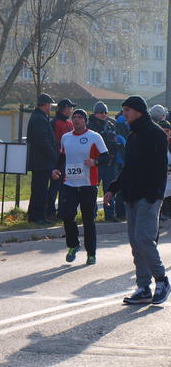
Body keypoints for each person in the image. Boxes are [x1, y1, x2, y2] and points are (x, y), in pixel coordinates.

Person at [105, 96, 170, 305]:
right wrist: (113, 188)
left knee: (144, 239)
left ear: (139, 111)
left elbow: (160, 168)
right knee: (136, 243)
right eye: (124, 110)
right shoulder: (133, 135)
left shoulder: (156, 134)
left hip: (148, 197)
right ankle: (143, 288)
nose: (124, 114)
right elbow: (128, 168)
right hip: (131, 195)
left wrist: (154, 195)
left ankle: (162, 280)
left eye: (127, 110)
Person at [52, 109, 108, 265]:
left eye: (80, 117)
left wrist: (95, 162)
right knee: (67, 215)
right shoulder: (66, 137)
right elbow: (62, 157)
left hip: (88, 184)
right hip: (69, 183)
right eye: (74, 117)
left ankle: (91, 253)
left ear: (85, 121)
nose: (76, 120)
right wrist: (56, 169)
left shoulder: (94, 137)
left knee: (88, 219)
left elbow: (106, 157)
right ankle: (73, 245)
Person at [26, 93, 57, 224]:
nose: (51, 108)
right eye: (50, 105)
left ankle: (34, 215)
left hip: (39, 161)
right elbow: (43, 141)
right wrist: (53, 155)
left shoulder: (38, 116)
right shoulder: (40, 118)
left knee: (38, 189)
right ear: (45, 105)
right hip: (41, 161)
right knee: (41, 190)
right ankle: (38, 216)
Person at [88, 101, 121, 222]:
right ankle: (91, 214)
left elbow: (114, 139)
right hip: (97, 162)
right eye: (100, 112)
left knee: (110, 189)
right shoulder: (90, 126)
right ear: (95, 113)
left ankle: (110, 214)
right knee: (93, 190)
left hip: (110, 162)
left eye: (105, 112)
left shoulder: (111, 125)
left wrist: (116, 145)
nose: (103, 114)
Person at [47, 99, 76, 219]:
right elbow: (54, 142)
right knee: (54, 187)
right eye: (70, 108)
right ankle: (50, 212)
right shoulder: (55, 122)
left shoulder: (69, 123)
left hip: (67, 160)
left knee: (65, 187)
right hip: (58, 159)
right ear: (64, 108)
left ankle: (62, 212)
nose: (71, 110)